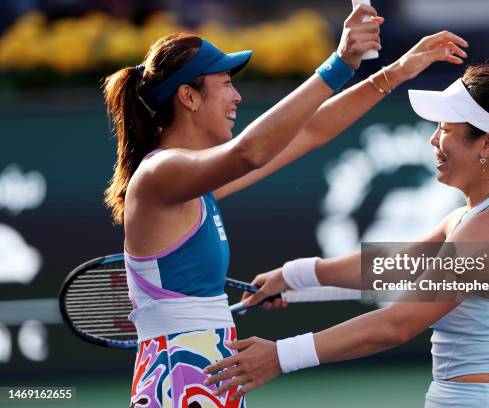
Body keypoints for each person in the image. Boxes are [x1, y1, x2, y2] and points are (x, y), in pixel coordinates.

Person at [102, 2, 468, 406]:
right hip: (177, 381)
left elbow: (311, 130)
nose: (236, 95)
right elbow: (249, 153)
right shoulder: (160, 174)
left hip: (206, 377)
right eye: (225, 81)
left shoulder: (192, 181)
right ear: (188, 97)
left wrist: (396, 71)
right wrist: (339, 63)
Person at [204, 64, 489, 407]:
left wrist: (281, 356)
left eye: (445, 129)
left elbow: (398, 323)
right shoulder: (474, 217)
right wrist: (293, 276)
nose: (433, 140)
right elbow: (389, 265)